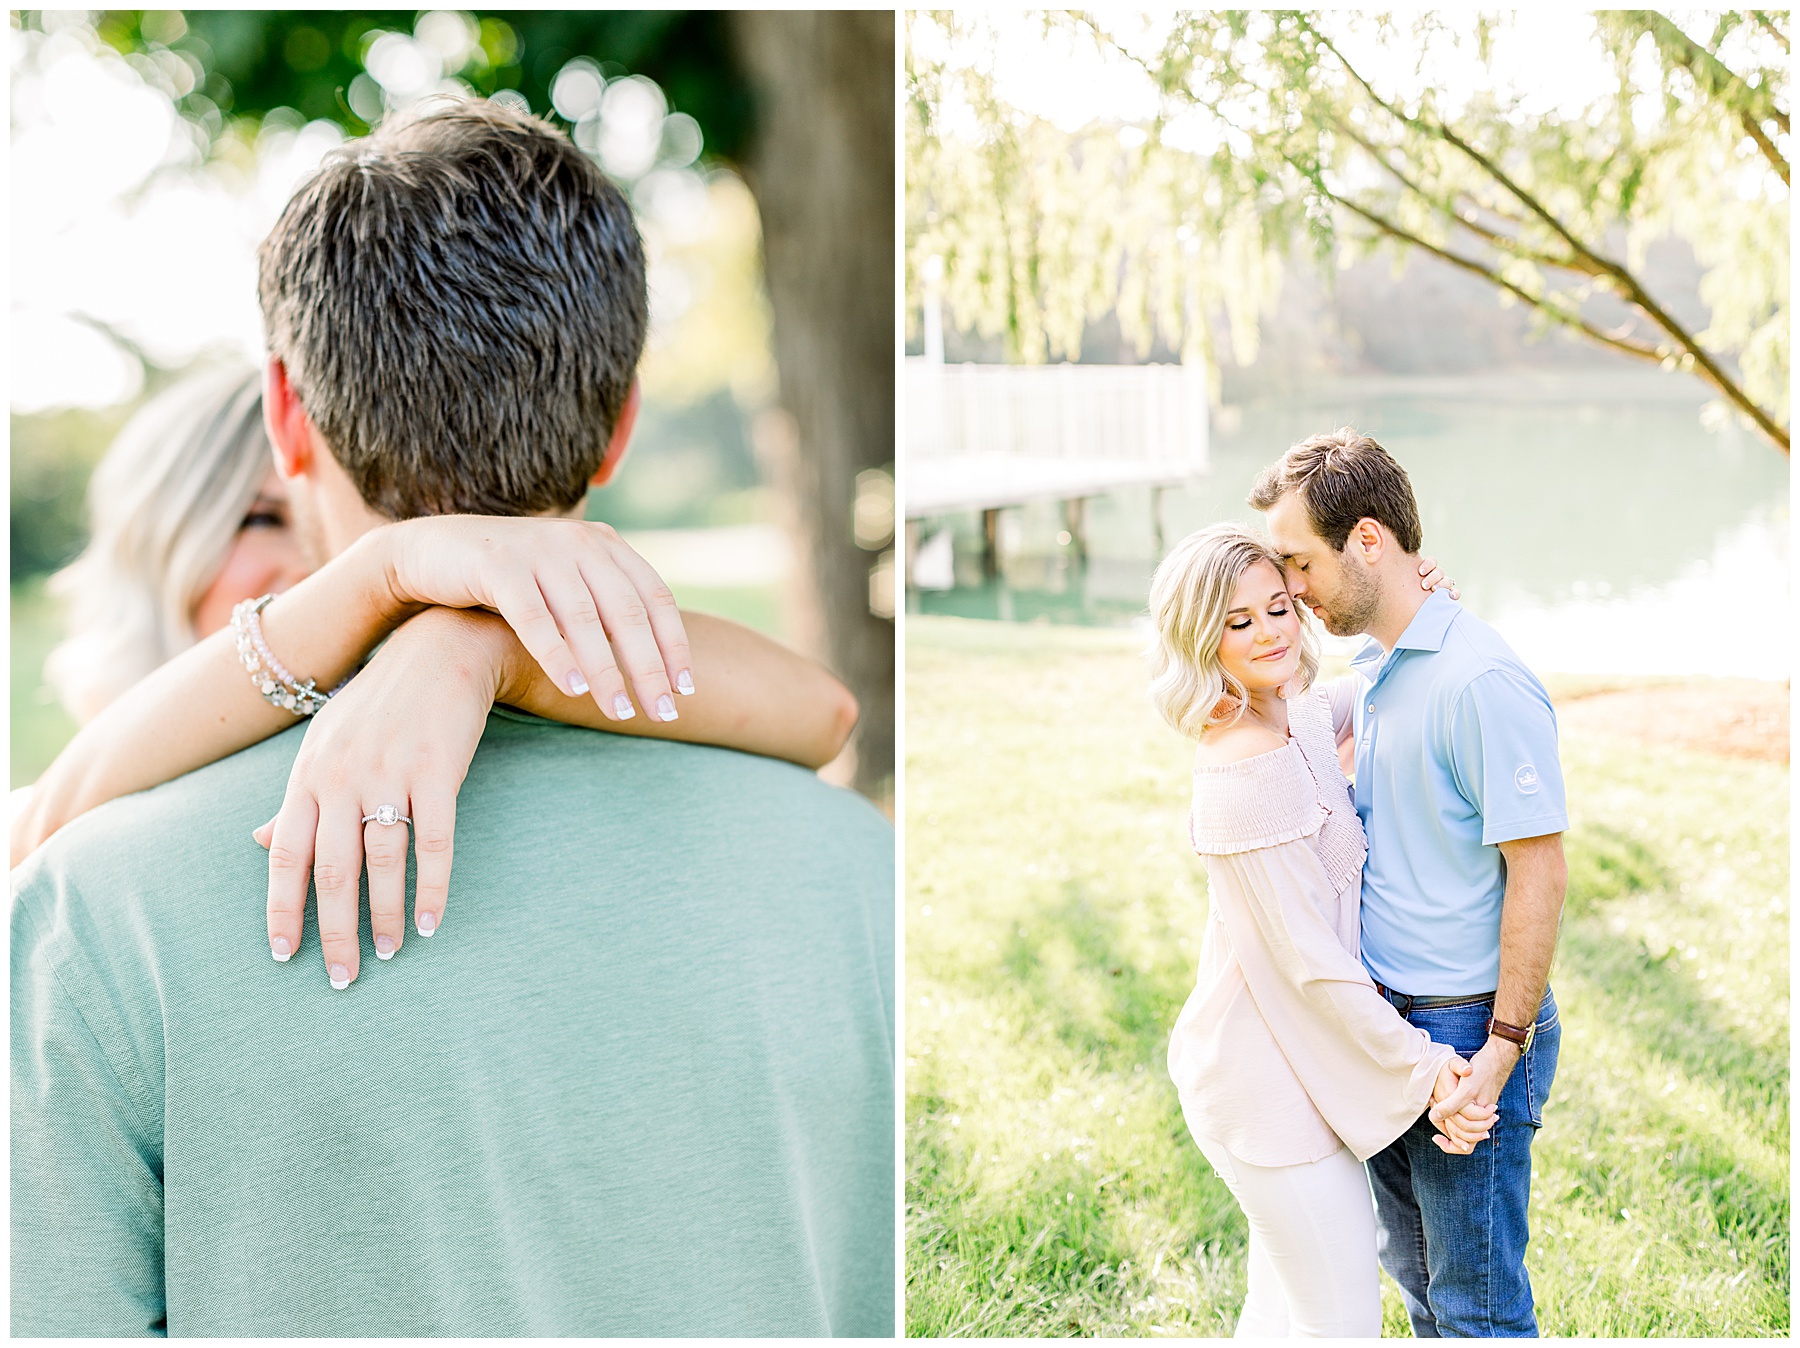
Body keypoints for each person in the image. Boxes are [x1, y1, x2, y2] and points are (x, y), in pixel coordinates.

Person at [12, 99, 894, 1336]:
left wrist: (458, 634)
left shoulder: (90, 920)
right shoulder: (864, 872)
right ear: (624, 420)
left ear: (285, 418)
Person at [17, 363, 858, 978]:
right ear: (158, 547)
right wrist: (378, 569)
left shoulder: (416, 690)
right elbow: (35, 836)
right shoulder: (94, 826)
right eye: (256, 517)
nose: (300, 557)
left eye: (301, 518)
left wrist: (479, 646)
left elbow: (819, 711)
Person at [1250, 428, 1567, 1338]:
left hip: (1467, 1028)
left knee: (1478, 1309)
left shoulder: (1482, 683)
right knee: (1420, 1284)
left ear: (1368, 541)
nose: (1290, 591)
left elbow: (1539, 870)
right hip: (1391, 1029)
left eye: (1298, 564)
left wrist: (1502, 1049)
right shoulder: (1383, 662)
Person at [1150, 524, 1497, 1337]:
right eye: (1239, 622)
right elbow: (1310, 964)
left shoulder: (1284, 710)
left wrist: (1413, 612)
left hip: (1300, 1066)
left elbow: (1361, 696)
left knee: (1282, 1314)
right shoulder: (1242, 763)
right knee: (1340, 1325)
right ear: (1202, 637)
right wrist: (1426, 1066)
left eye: (1277, 606)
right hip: (1264, 1084)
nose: (1269, 631)